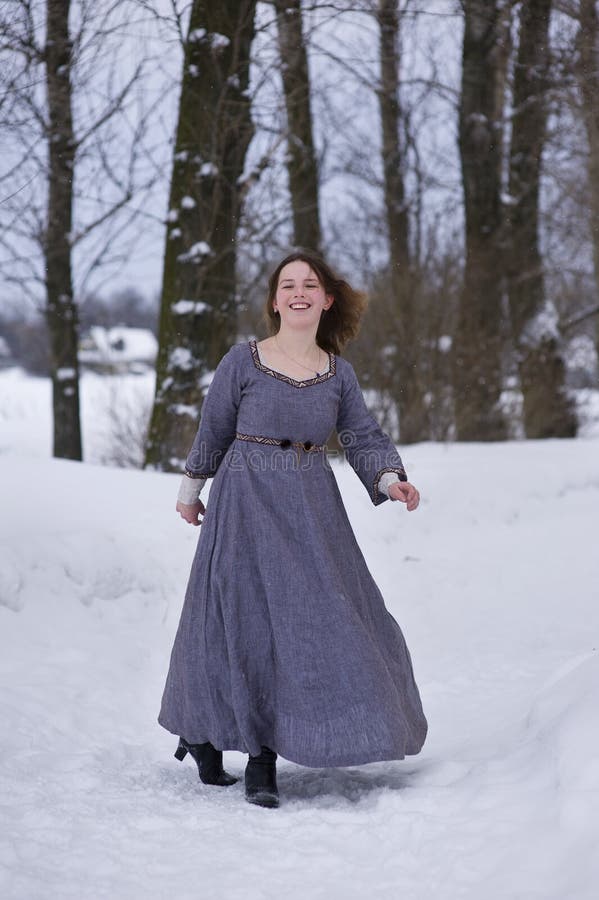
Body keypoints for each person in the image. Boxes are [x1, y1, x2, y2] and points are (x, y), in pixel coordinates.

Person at [158, 251, 428, 809]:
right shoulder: (243, 361)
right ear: (275, 300)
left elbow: (362, 435)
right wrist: (191, 493)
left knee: (321, 616)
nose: (299, 292)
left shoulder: (338, 374)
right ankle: (256, 756)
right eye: (288, 284)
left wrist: (389, 477)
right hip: (245, 497)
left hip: (310, 503)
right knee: (242, 617)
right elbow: (213, 429)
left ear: (327, 299)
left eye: (310, 285)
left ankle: (240, 733)